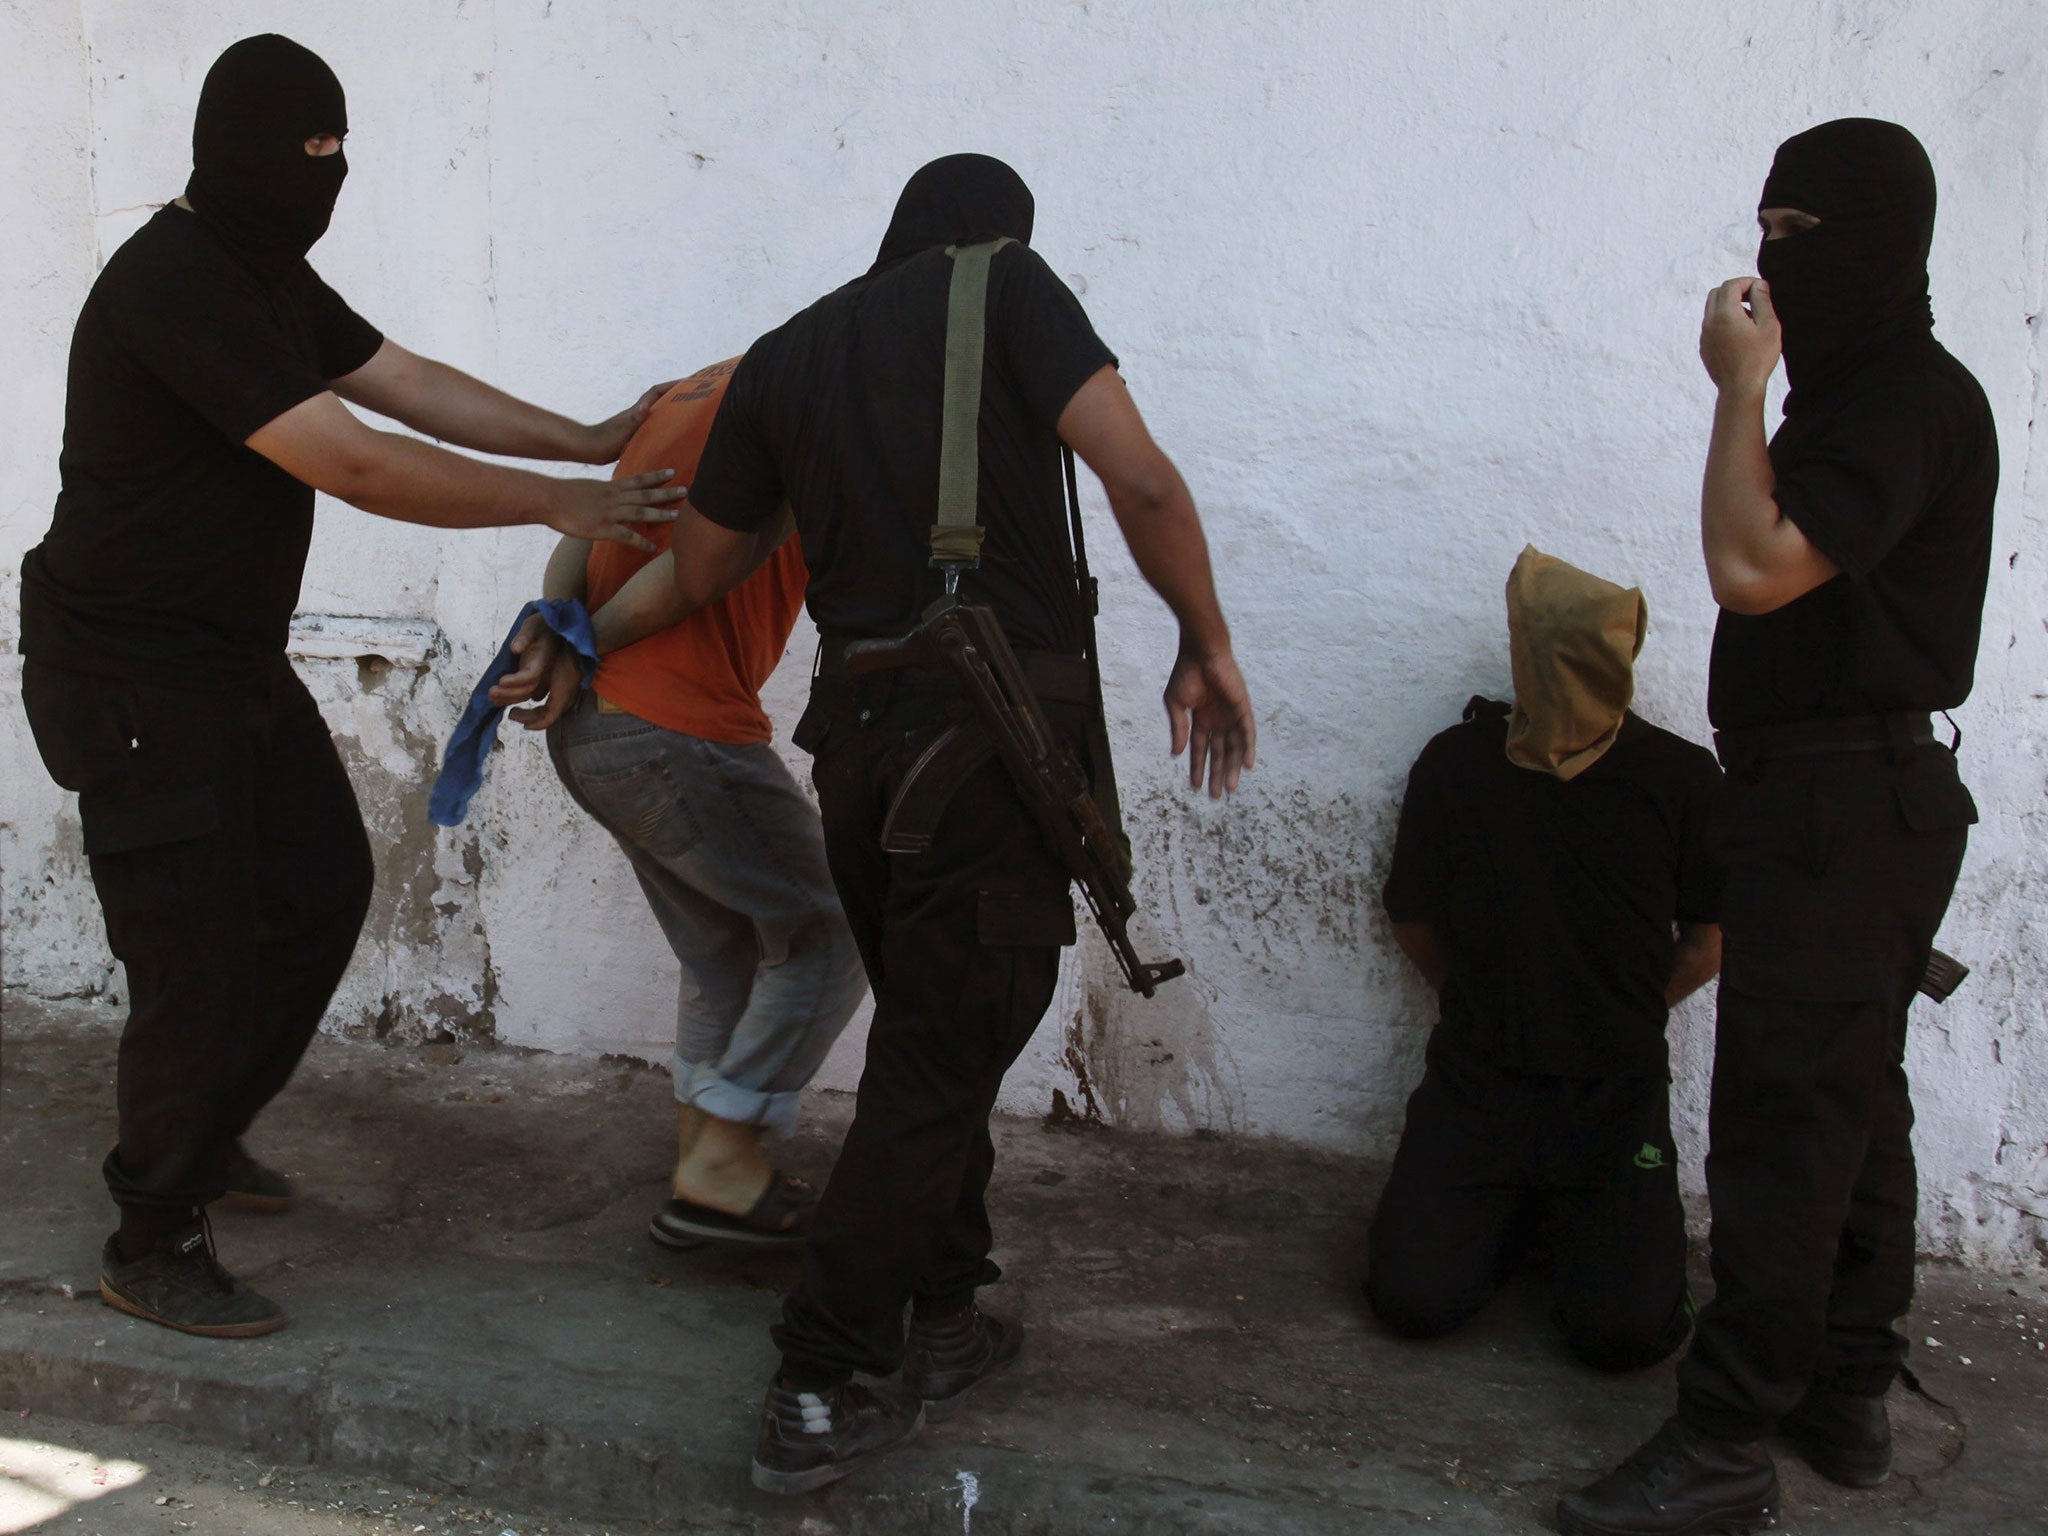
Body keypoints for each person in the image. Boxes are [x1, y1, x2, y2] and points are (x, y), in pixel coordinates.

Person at [589, 153, 1255, 1492]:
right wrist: (1209, 642)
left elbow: (702, 567)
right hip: (986, 755)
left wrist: (571, 638)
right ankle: (819, 1383)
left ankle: (945, 1315)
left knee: (932, 1038)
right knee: (945, 1054)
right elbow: (1144, 481)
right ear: (995, 236)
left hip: (866, 755)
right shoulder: (1006, 284)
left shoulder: (785, 355)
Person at [15, 34, 683, 1341]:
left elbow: (404, 382)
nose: (328, 173)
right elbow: (359, 462)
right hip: (134, 676)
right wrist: (559, 499)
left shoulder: (266, 272)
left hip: (226, 665)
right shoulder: (173, 282)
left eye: (341, 149)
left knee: (319, 890)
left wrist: (584, 434)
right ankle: (151, 1233)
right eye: (306, 152)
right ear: (237, 153)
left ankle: (199, 1140)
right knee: (193, 956)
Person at [1558, 119, 1995, 1536]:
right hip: (1842, 799)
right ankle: (1847, 1392)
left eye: (1799, 236)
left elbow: (1751, 569)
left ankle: (1727, 1441)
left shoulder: (1901, 402)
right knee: (1853, 1102)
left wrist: (1735, 392)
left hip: (1843, 805)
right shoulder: (1865, 395)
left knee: (1781, 1128)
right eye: (1765, 228)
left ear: (1878, 241)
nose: (1766, 261)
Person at [485, 358, 867, 1248]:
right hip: (674, 728)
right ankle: (727, 1153)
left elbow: (589, 524)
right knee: (827, 929)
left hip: (598, 731)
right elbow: (706, 567)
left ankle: (706, 1169)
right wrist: (579, 642)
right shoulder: (818, 401)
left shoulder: (678, 396)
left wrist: (554, 623)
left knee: (726, 950)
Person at [1369, 547, 1723, 1373]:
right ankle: (1517, 1216)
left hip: (1612, 1091)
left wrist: (1618, 1009)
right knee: (1412, 1301)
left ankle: (1580, 1226)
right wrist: (1482, 1004)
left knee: (1625, 1336)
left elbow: (1708, 943)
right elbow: (1412, 914)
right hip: (1479, 1082)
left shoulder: (1677, 780)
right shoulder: (1458, 768)